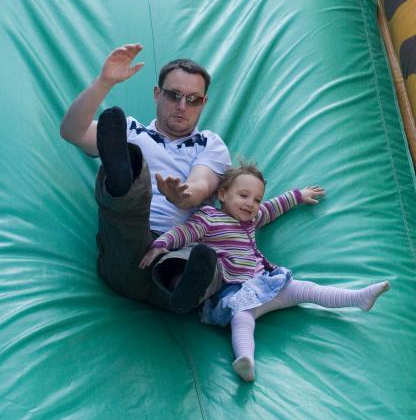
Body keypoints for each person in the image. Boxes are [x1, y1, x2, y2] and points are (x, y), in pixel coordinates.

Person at [139, 162, 390, 382]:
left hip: (266, 284)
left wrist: (298, 196)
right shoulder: (210, 217)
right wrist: (162, 244)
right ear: (223, 194)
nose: (251, 204)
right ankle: (246, 359)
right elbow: (186, 231)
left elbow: (273, 207)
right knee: (242, 320)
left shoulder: (251, 220)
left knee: (307, 289)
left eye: (256, 199)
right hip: (235, 291)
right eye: (244, 196)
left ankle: (357, 298)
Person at [60, 43, 231, 313]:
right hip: (127, 251)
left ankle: (181, 288)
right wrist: (104, 82)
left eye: (193, 99)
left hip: (176, 249)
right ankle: (124, 179)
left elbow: (202, 183)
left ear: (203, 103)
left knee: (202, 261)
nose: (182, 106)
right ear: (156, 94)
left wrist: (184, 196)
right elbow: (71, 131)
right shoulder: (128, 130)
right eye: (173, 95)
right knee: (132, 179)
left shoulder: (210, 144)